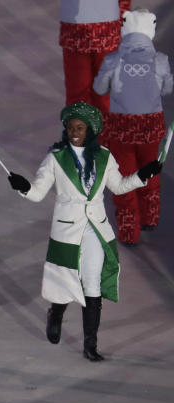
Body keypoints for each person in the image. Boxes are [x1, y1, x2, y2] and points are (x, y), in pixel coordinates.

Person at [6, 102, 161, 361]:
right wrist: (23, 187)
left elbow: (120, 186)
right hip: (67, 229)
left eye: (79, 127)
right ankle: (56, 312)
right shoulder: (55, 158)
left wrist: (142, 175)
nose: (74, 132)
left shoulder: (104, 156)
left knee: (91, 283)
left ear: (90, 130)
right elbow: (37, 193)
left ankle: (90, 344)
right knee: (66, 278)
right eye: (70, 128)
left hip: (95, 229)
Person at [93, 7, 172, 244]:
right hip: (150, 126)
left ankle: (129, 229)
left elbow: (98, 89)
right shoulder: (161, 60)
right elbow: (167, 90)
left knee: (125, 176)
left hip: (121, 129)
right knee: (151, 169)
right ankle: (150, 216)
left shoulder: (113, 60)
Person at [58, 0, 130, 115]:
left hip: (104, 35)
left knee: (103, 97)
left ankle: (105, 130)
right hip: (78, 35)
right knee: (80, 98)